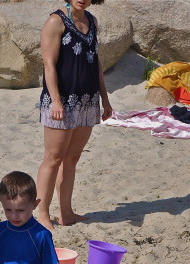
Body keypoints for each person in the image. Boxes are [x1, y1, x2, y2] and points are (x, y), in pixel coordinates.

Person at [36, 0, 112, 229]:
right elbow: (48, 65)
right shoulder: (55, 21)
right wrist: (56, 100)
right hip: (61, 100)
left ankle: (66, 213)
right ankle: (42, 214)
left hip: (87, 99)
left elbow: (96, 62)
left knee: (72, 158)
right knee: (53, 158)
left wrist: (105, 98)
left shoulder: (92, 21)